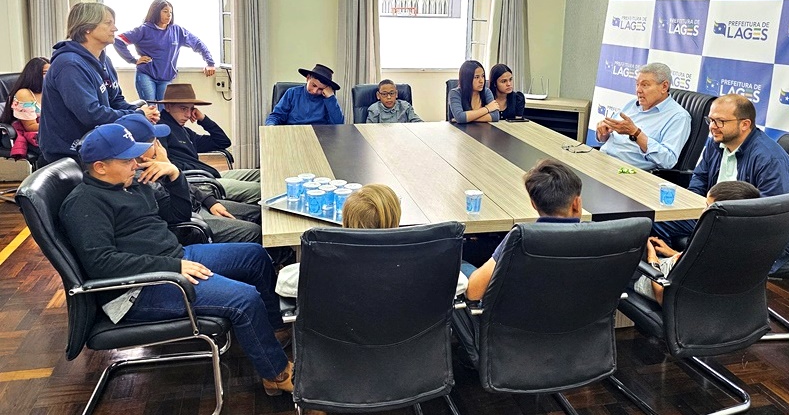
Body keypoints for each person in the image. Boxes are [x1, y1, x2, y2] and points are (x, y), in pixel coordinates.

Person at [61, 124, 294, 396]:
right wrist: (173, 268)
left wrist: (174, 175)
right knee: (244, 299)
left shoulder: (130, 185)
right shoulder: (85, 204)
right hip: (138, 289)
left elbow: (178, 215)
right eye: (127, 161)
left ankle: (270, 332)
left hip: (173, 260)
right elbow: (102, 263)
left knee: (254, 256)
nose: (136, 164)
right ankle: (275, 374)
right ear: (100, 167)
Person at [651, 94, 789, 274]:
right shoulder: (717, 142)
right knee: (653, 221)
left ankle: (681, 280)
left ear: (744, 124)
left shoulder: (769, 159)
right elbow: (700, 178)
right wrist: (690, 206)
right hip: (712, 214)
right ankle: (668, 275)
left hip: (748, 227)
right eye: (711, 120)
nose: (713, 127)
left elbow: (772, 212)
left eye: (720, 121)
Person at [454, 159, 582, 368]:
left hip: (516, 337)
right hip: (576, 340)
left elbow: (474, 292)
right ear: (576, 202)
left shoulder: (521, 238)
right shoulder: (600, 238)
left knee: (457, 263)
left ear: (533, 203)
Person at [276, 184, 467, 297]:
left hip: (340, 352)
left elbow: (284, 283)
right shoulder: (420, 267)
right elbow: (460, 284)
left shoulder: (323, 267)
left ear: (345, 221)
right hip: (406, 352)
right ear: (396, 220)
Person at [38, 2, 160, 165]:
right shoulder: (69, 64)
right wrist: (137, 115)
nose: (115, 28)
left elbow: (116, 101)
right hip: (70, 152)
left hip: (96, 143)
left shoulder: (104, 61)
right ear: (87, 27)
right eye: (108, 23)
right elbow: (91, 114)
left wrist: (139, 112)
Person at [115, 113, 262, 244]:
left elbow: (222, 142)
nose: (159, 145)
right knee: (254, 230)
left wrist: (208, 201)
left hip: (199, 201)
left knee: (258, 213)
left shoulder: (159, 160)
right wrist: (171, 169)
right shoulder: (140, 178)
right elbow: (178, 215)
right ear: (141, 151)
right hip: (192, 220)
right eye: (154, 142)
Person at [635, 181, 761, 304]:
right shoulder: (756, 245)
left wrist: (653, 260)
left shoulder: (706, 247)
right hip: (727, 311)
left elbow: (663, 297)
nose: (702, 211)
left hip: (666, 289)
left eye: (708, 207)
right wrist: (673, 253)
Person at [155, 83, 261, 205]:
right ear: (168, 107)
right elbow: (166, 165)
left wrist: (203, 119)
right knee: (259, 190)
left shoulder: (184, 131)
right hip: (198, 182)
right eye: (183, 108)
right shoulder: (161, 129)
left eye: (191, 109)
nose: (188, 115)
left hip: (209, 175)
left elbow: (222, 141)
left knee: (260, 174)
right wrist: (202, 170)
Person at [113, 0, 216, 103]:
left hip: (166, 78)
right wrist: (133, 60)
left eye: (170, 12)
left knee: (165, 111)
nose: (169, 15)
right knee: (150, 108)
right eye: (165, 11)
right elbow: (118, 40)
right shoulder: (144, 30)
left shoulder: (177, 31)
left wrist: (210, 63)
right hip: (146, 75)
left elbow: (198, 43)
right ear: (156, 12)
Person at [596, 62, 691, 171]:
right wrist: (603, 133)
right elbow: (605, 139)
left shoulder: (678, 117)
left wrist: (636, 133)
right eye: (637, 84)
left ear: (664, 86)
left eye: (645, 85)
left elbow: (668, 160)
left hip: (628, 172)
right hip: (603, 160)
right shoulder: (632, 105)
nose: (638, 90)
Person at [0, 57, 49, 159]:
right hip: (27, 134)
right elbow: (30, 126)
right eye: (45, 73)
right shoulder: (24, 94)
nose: (49, 76)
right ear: (34, 75)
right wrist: (57, 125)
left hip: (45, 132)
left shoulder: (49, 91)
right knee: (57, 150)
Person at [265, 63, 344, 125]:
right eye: (313, 85)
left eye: (321, 89)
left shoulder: (328, 99)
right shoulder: (292, 93)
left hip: (320, 137)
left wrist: (331, 98)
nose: (315, 91)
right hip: (294, 135)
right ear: (308, 78)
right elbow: (276, 116)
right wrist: (271, 126)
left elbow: (339, 124)